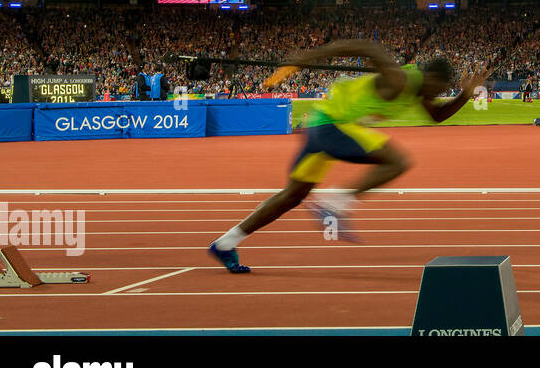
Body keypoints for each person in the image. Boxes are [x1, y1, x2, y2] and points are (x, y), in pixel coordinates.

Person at [207, 40, 486, 273]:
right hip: (332, 125)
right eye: (440, 89)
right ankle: (334, 202)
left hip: (322, 127)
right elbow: (365, 47)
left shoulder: (419, 94)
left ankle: (225, 243)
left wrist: (464, 95)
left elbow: (436, 116)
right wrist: (306, 57)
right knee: (397, 161)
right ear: (432, 78)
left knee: (292, 196)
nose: (438, 95)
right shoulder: (399, 78)